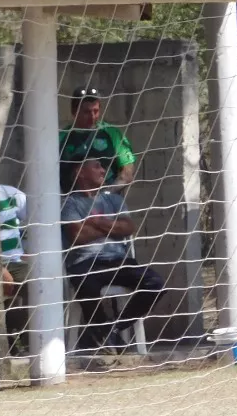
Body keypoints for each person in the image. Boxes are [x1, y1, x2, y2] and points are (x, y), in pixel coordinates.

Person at [61, 152, 165, 351]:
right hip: (85, 263)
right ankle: (104, 333)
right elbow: (78, 236)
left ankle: (113, 329)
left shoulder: (114, 201)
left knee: (155, 283)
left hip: (119, 261)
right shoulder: (70, 203)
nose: (103, 171)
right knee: (86, 286)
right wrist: (112, 227)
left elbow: (127, 228)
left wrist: (98, 222)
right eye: (97, 166)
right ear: (80, 172)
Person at [58, 87, 136, 189]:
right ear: (74, 111)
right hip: (72, 201)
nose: (92, 116)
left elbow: (127, 171)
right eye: (86, 112)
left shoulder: (112, 133)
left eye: (96, 111)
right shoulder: (61, 137)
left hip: (108, 199)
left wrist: (108, 194)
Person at [0, 183, 31, 351]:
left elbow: (37, 220)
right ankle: (8, 337)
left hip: (14, 261)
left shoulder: (10, 194)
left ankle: (28, 338)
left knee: (38, 281)